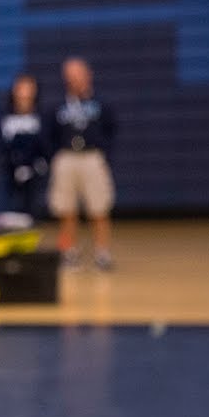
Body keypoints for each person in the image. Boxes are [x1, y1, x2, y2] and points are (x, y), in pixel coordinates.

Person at [46, 57, 118, 270]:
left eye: (78, 73)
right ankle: (69, 252)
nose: (74, 78)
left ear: (88, 75)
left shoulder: (101, 103)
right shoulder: (58, 105)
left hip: (92, 157)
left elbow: (111, 130)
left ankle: (102, 253)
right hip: (66, 158)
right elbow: (49, 134)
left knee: (99, 208)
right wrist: (56, 155)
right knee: (66, 209)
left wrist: (103, 153)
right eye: (70, 75)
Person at [0, 74, 47, 217]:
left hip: (36, 180)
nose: (25, 95)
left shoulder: (41, 118)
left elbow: (46, 147)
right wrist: (15, 166)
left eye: (29, 90)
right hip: (11, 179)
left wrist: (36, 166)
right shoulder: (5, 118)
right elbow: (1, 148)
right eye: (21, 89)